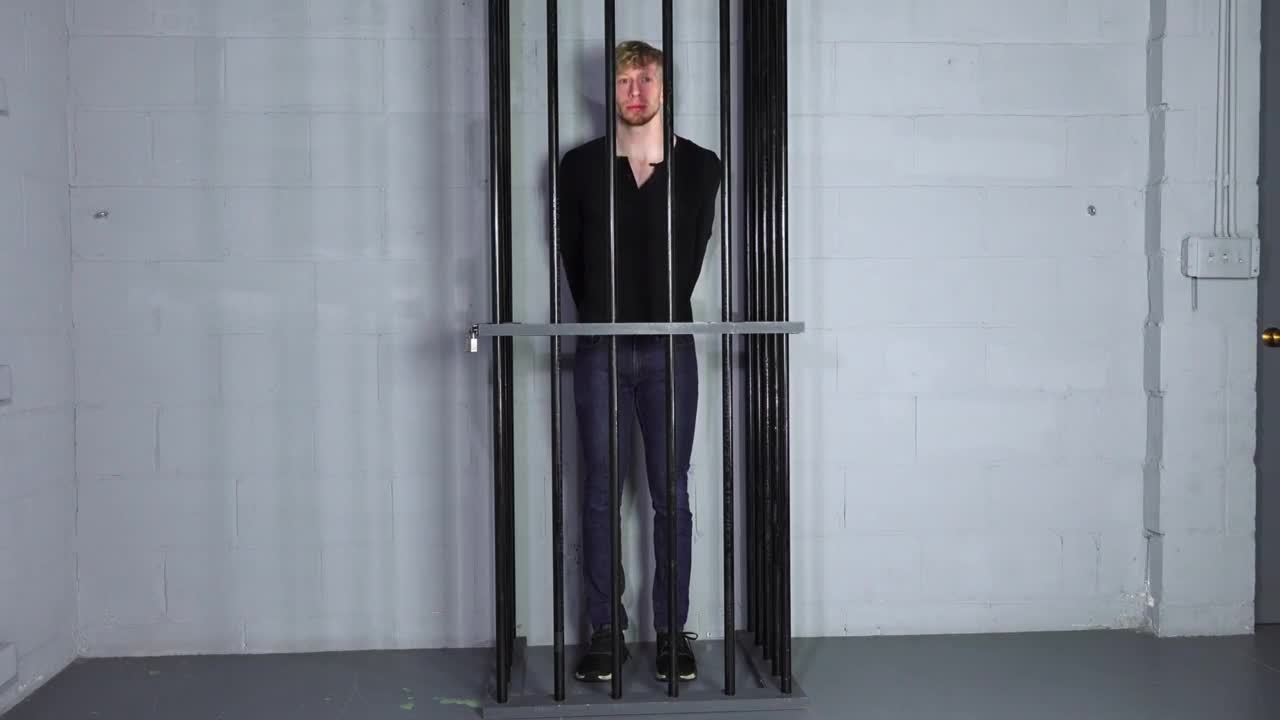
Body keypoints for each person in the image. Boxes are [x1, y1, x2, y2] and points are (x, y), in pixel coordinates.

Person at [556, 39, 722, 684]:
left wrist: (650, 310)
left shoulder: (701, 166)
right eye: (624, 80)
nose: (635, 91)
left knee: (671, 493)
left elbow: (686, 257)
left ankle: (671, 633)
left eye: (646, 79)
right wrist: (604, 316)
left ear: (664, 88)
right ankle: (606, 633)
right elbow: (575, 257)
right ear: (610, 90)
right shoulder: (580, 166)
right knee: (599, 492)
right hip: (601, 343)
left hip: (668, 344)